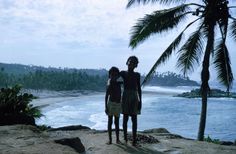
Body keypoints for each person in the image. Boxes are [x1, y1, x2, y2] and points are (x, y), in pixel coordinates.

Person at [120, 56, 142, 146]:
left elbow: (139, 89)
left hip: (134, 96)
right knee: (125, 118)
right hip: (125, 96)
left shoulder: (137, 75)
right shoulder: (123, 73)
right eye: (130, 61)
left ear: (136, 65)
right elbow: (113, 76)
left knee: (134, 119)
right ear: (127, 62)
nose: (131, 63)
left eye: (133, 62)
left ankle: (134, 140)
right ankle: (125, 138)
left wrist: (140, 101)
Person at [105, 67, 122, 144]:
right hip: (111, 104)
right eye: (112, 75)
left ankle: (117, 139)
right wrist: (106, 107)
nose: (113, 76)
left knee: (117, 122)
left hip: (118, 104)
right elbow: (106, 96)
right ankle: (110, 139)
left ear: (117, 75)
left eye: (115, 75)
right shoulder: (109, 84)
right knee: (110, 121)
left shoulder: (119, 83)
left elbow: (123, 78)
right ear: (109, 75)